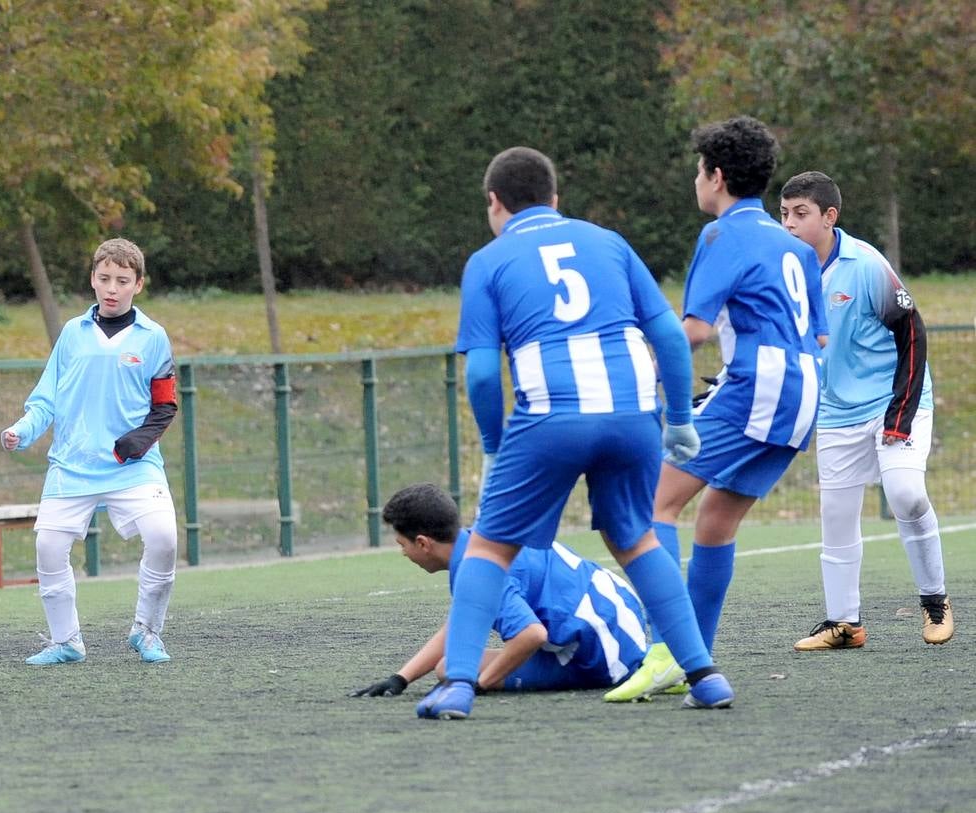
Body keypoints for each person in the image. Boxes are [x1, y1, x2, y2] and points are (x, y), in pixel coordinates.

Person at [421, 146, 732, 721]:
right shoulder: (609, 242)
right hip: (633, 412)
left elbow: (485, 372)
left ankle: (460, 684)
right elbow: (668, 333)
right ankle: (705, 674)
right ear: (556, 200)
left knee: (490, 546)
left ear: (494, 203)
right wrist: (680, 419)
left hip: (551, 417)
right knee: (636, 538)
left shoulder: (488, 262)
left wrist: (494, 447)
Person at [615, 116, 828, 701]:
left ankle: (667, 650)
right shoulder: (795, 246)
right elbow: (819, 337)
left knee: (651, 503)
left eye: (698, 170)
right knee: (715, 519)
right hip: (804, 389)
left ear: (717, 176)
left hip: (760, 387)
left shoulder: (721, 236)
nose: (695, 182)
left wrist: (640, 372)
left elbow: (695, 331)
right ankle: (694, 658)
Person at [779, 171, 951, 649]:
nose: (789, 224)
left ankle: (935, 601)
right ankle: (844, 624)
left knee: (906, 494)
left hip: (893, 401)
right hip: (836, 412)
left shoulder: (865, 263)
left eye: (801, 214)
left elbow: (912, 332)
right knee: (835, 515)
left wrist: (899, 415)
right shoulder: (784, 270)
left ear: (829, 217)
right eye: (784, 214)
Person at [1, 238, 179, 665]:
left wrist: (140, 440)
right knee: (47, 547)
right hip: (73, 466)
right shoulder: (72, 335)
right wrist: (22, 431)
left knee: (165, 538)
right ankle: (66, 642)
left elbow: (165, 404)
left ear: (138, 284)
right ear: (92, 281)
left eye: (122, 280)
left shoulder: (153, 338)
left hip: (133, 467)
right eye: (104, 279)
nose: (111, 288)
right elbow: (47, 398)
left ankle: (147, 631)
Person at [351, 484, 649, 699]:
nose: (404, 554)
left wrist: (477, 686)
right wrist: (401, 678)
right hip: (619, 625)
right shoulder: (481, 540)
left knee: (453, 671)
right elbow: (461, 626)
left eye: (403, 546)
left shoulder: (478, 570)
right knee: (455, 664)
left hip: (603, 655)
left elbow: (532, 635)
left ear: (423, 543)